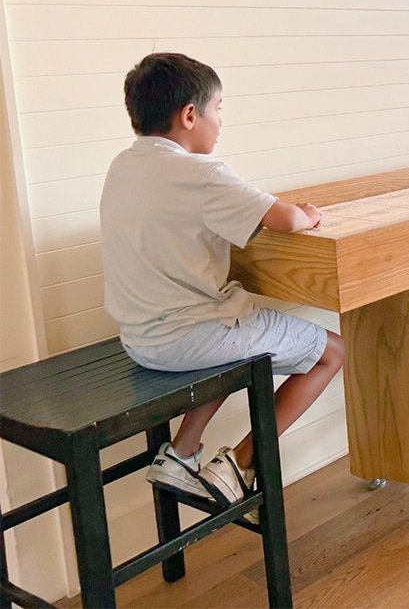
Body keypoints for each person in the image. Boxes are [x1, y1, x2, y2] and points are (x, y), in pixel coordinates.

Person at [100, 52, 345, 509]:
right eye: (218, 109)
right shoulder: (202, 173)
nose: (220, 121)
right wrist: (309, 214)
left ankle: (183, 453)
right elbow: (286, 219)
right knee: (331, 353)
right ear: (190, 115)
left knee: (234, 321)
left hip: (140, 337)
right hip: (188, 339)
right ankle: (238, 465)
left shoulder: (122, 165)